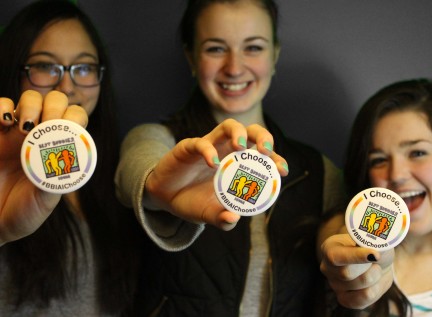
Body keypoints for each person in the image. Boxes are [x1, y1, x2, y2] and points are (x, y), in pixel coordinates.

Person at [114, 0, 345, 316]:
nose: (234, 67)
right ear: (191, 57)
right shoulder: (157, 139)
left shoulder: (317, 171)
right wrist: (157, 188)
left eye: (253, 47)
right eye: (215, 49)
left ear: (274, 55)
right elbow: (137, 171)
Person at [0, 1, 146, 315]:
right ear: (14, 71)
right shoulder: (4, 177)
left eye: (83, 68)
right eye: (44, 66)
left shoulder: (118, 174)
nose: (66, 86)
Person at [320, 78, 432, 316]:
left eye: (417, 152)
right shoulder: (346, 240)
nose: (396, 175)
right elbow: (338, 237)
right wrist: (348, 258)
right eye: (379, 160)